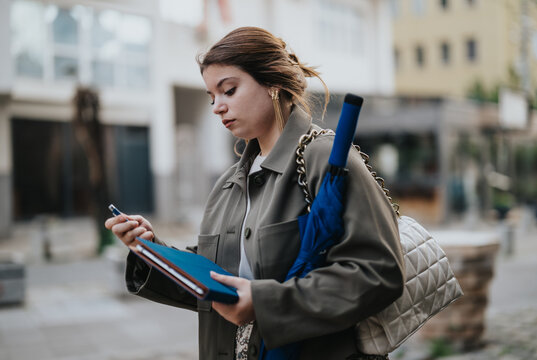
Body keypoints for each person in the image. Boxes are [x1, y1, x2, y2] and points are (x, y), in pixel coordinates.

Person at [105, 26, 405, 360]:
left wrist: (263, 303)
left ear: (273, 83)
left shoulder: (326, 158)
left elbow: (378, 272)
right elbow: (213, 280)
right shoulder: (228, 184)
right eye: (211, 97)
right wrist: (151, 249)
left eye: (229, 90)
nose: (217, 106)